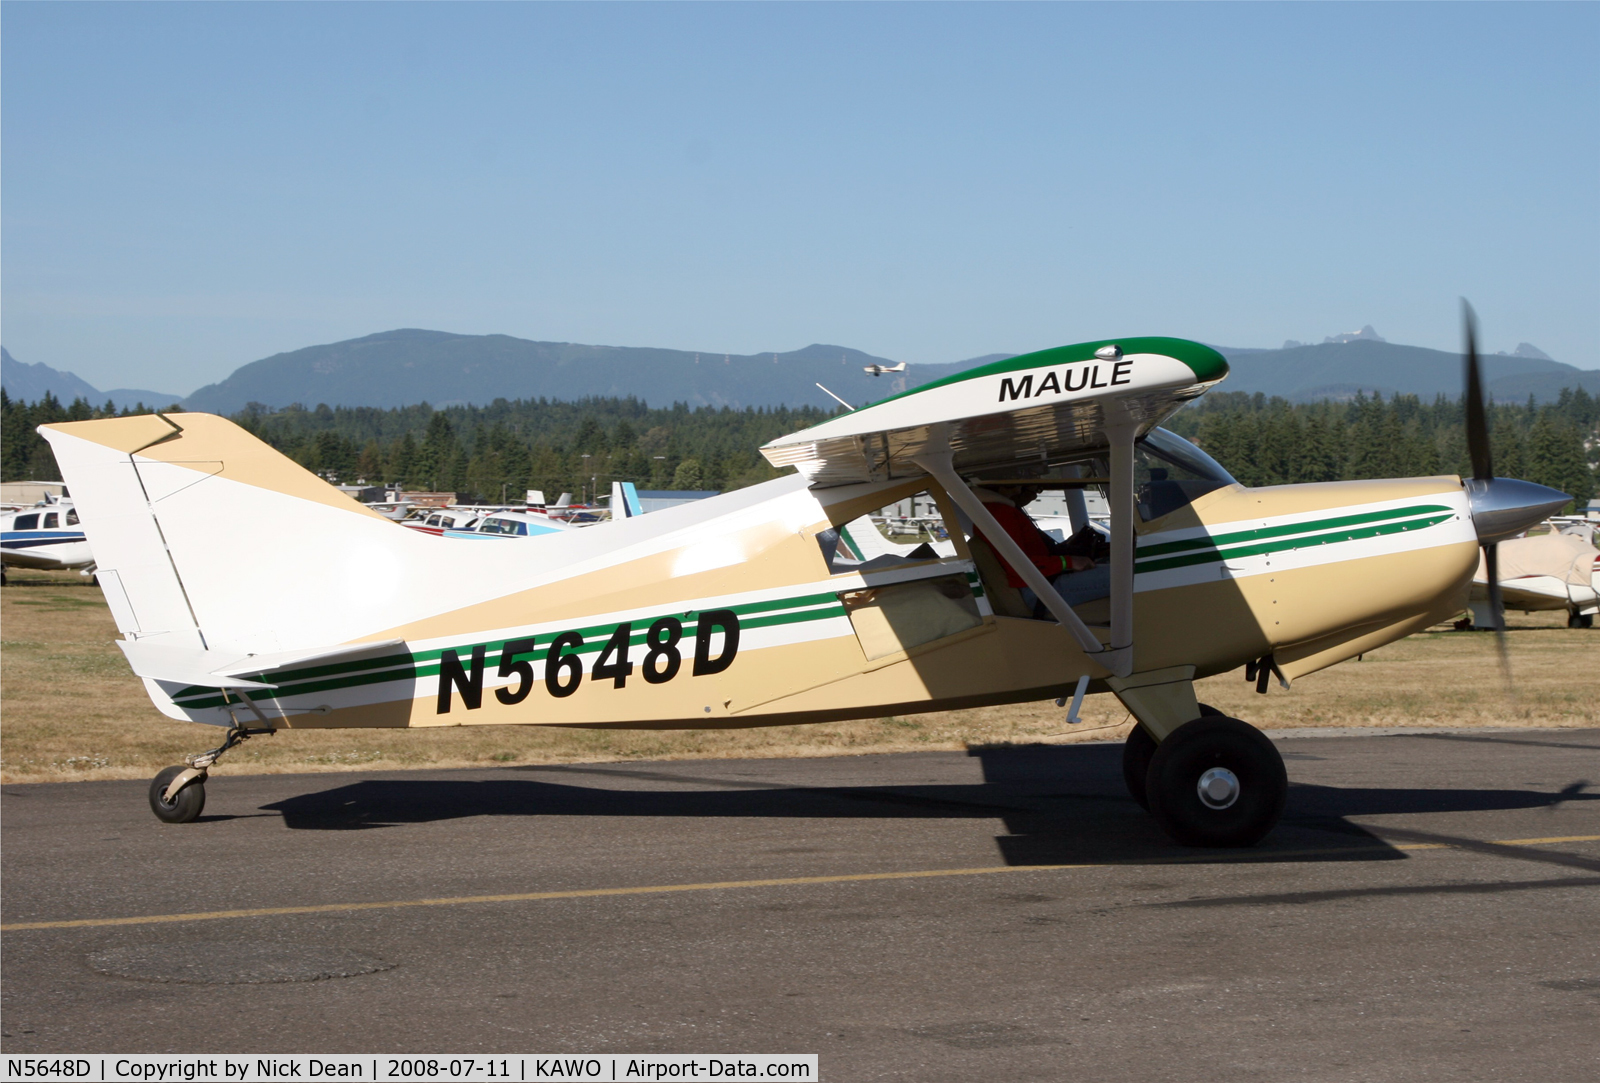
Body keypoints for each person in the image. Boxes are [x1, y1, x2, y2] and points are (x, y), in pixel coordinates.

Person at [977, 483, 1111, 615]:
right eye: (1017, 485)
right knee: (1126, 575)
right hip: (1038, 590)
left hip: (1041, 583)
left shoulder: (992, 512)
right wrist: (1068, 562)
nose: (1019, 491)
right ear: (1001, 487)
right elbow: (1017, 564)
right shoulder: (1001, 513)